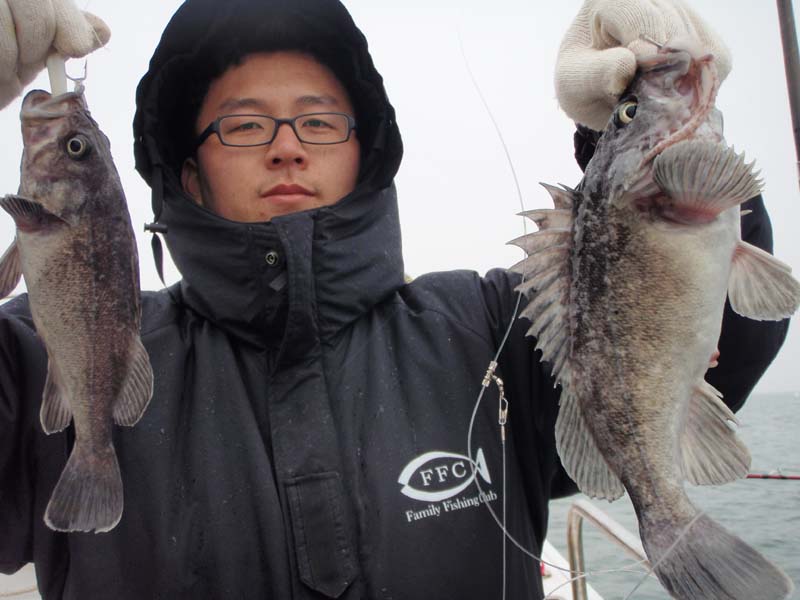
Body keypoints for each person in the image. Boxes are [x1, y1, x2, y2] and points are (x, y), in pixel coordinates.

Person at [0, 0, 789, 599]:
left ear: (366, 152)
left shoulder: (490, 328)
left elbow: (697, 329)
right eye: (242, 126)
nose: (287, 146)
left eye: (319, 121)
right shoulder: (54, 353)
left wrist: (642, 144)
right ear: (188, 173)